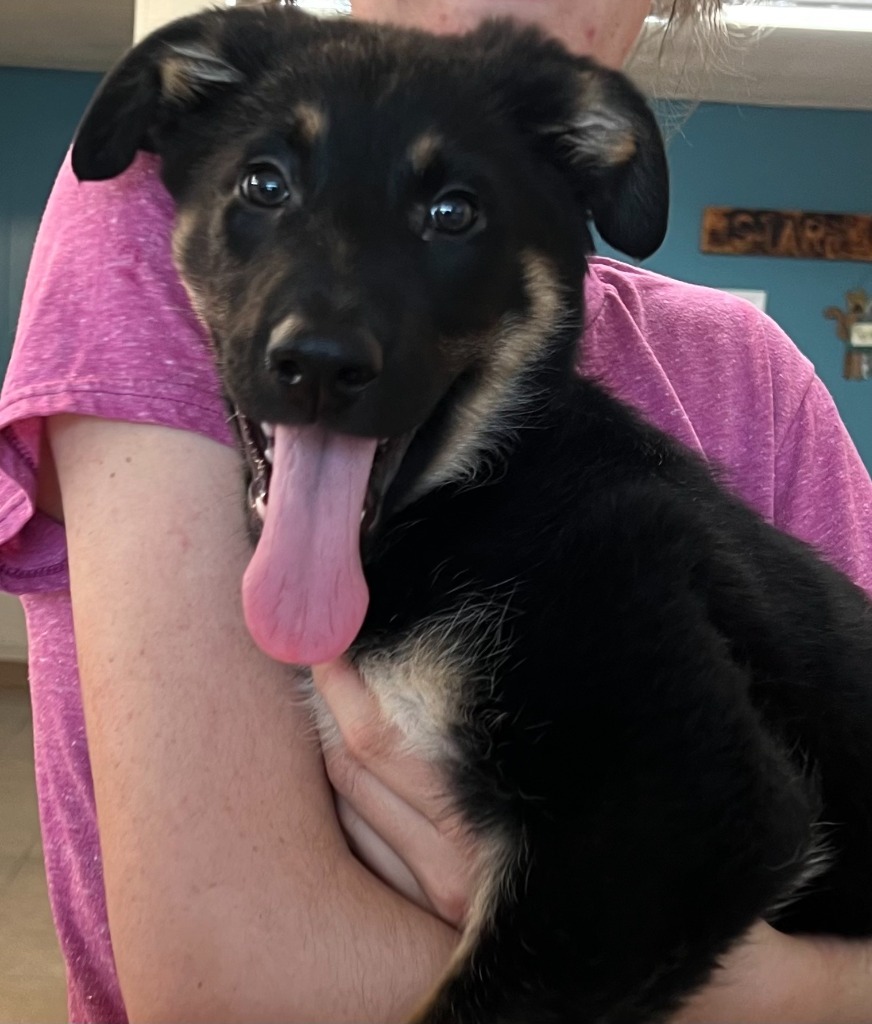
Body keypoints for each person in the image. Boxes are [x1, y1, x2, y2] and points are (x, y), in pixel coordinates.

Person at [1, 0, 870, 1020]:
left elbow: (717, 820)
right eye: (267, 184)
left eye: (450, 215)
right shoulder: (130, 209)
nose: (323, 331)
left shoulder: (604, 522)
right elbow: (222, 984)